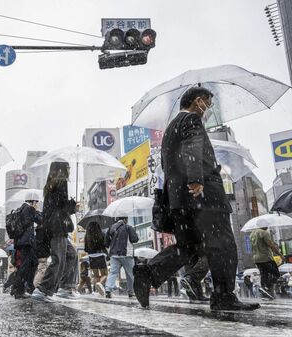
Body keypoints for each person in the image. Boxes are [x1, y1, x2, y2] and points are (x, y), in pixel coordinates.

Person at [133, 87, 260, 311]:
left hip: (180, 200)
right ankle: (223, 296)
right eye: (208, 104)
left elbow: (166, 165)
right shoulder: (192, 120)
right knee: (223, 245)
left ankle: (148, 273)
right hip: (203, 197)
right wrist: (195, 178)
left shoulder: (171, 128)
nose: (208, 109)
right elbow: (193, 146)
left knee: (188, 247)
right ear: (197, 101)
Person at [32, 162, 78, 303]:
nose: (70, 170)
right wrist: (73, 206)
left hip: (53, 227)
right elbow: (61, 205)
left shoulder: (51, 184)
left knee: (72, 254)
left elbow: (56, 205)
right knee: (59, 259)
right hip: (57, 227)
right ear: (62, 169)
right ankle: (43, 290)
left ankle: (66, 286)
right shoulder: (61, 181)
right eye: (68, 168)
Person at [13, 199, 42, 299]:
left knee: (33, 263)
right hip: (26, 242)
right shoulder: (28, 209)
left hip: (22, 241)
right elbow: (39, 219)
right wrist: (36, 210)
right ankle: (18, 290)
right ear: (33, 202)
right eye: (36, 203)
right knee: (25, 266)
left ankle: (27, 287)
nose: (37, 204)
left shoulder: (21, 209)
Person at [104, 218, 138, 298]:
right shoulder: (128, 227)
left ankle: (108, 289)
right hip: (126, 254)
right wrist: (135, 233)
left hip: (114, 254)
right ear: (125, 219)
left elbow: (106, 242)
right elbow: (134, 239)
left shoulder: (111, 227)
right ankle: (131, 291)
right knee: (130, 273)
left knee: (113, 272)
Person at [250, 221, 283, 300]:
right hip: (266, 257)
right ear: (262, 225)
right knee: (276, 273)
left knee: (264, 274)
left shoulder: (252, 233)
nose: (268, 226)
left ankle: (264, 287)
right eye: (267, 225)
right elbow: (271, 245)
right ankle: (267, 287)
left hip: (256, 258)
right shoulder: (264, 233)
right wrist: (280, 254)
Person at [84, 221, 109, 296]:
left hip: (92, 257)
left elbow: (86, 249)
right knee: (105, 274)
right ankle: (100, 283)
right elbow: (106, 244)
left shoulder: (87, 236)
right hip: (101, 255)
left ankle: (98, 291)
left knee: (96, 275)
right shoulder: (102, 234)